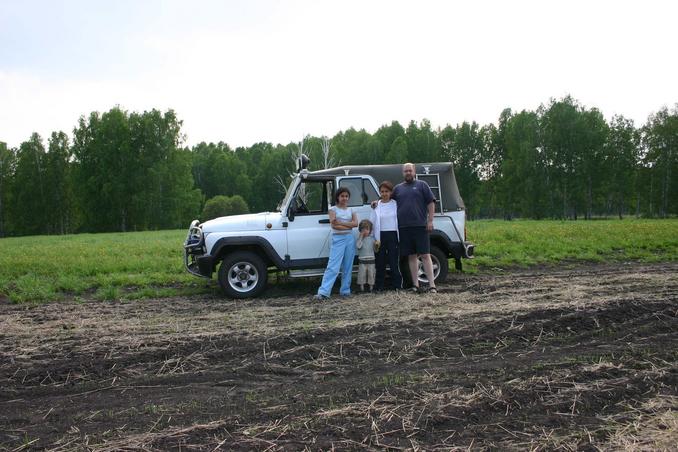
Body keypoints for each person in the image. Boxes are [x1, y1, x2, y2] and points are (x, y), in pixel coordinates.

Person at [392, 163, 437, 293]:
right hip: (404, 228)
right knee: (411, 257)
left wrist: (430, 220)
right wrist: (375, 203)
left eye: (410, 170)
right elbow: (387, 200)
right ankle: (415, 285)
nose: (408, 173)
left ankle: (432, 285)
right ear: (403, 173)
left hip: (420, 226)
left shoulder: (422, 185)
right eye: (405, 171)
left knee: (425, 255)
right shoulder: (398, 189)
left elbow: (430, 202)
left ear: (414, 171)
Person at [314, 187, 358, 300]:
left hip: (350, 238)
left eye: (346, 196)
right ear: (338, 197)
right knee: (333, 266)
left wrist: (341, 223)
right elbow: (334, 225)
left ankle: (345, 291)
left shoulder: (352, 210)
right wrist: (348, 223)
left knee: (348, 265)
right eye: (342, 196)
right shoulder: (332, 209)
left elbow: (356, 224)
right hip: (338, 238)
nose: (344, 198)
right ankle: (324, 292)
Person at [370, 181, 402, 291]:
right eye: (382, 191)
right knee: (380, 262)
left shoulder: (396, 204)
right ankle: (379, 286)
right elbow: (372, 221)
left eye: (386, 191)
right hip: (380, 236)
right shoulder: (376, 205)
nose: (384, 194)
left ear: (391, 192)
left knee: (394, 262)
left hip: (393, 235)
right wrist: (372, 236)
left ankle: (397, 285)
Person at [356, 219, 377, 292]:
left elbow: (375, 250)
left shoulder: (372, 239)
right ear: (360, 230)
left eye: (367, 229)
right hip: (362, 260)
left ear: (370, 230)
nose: (365, 231)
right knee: (362, 274)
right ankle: (362, 288)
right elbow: (358, 246)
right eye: (363, 229)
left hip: (371, 259)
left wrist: (376, 245)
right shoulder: (360, 239)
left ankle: (371, 287)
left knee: (371, 273)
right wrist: (361, 237)